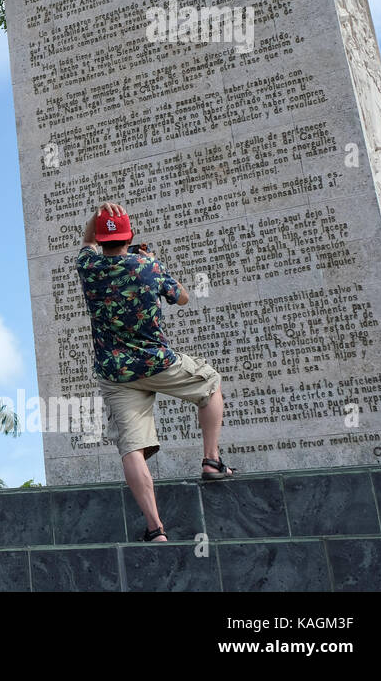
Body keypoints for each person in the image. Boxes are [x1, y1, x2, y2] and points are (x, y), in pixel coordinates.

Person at [76, 202, 234, 544]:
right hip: (157, 362)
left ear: (102, 239)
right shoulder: (147, 264)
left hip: (116, 372)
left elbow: (86, 242)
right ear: (129, 236)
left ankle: (156, 529)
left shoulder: (88, 267)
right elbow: (182, 298)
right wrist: (152, 263)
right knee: (210, 384)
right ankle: (212, 460)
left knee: (132, 448)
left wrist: (97, 217)